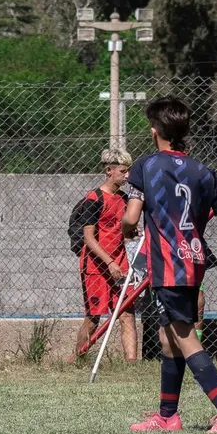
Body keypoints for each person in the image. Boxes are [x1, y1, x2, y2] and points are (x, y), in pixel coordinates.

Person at [122, 96, 217, 434]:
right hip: (193, 261)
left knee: (183, 336)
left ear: (154, 131)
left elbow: (130, 217)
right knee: (168, 338)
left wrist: (127, 228)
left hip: (168, 266)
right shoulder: (202, 172)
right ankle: (168, 416)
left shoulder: (146, 166)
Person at [73, 149, 138, 362]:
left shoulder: (124, 198)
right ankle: (80, 359)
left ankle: (131, 364)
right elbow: (89, 238)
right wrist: (109, 262)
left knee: (127, 313)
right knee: (93, 317)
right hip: (96, 266)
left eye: (128, 171)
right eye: (123, 171)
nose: (127, 176)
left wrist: (132, 233)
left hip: (120, 263)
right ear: (109, 171)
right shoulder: (94, 198)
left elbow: (124, 232)